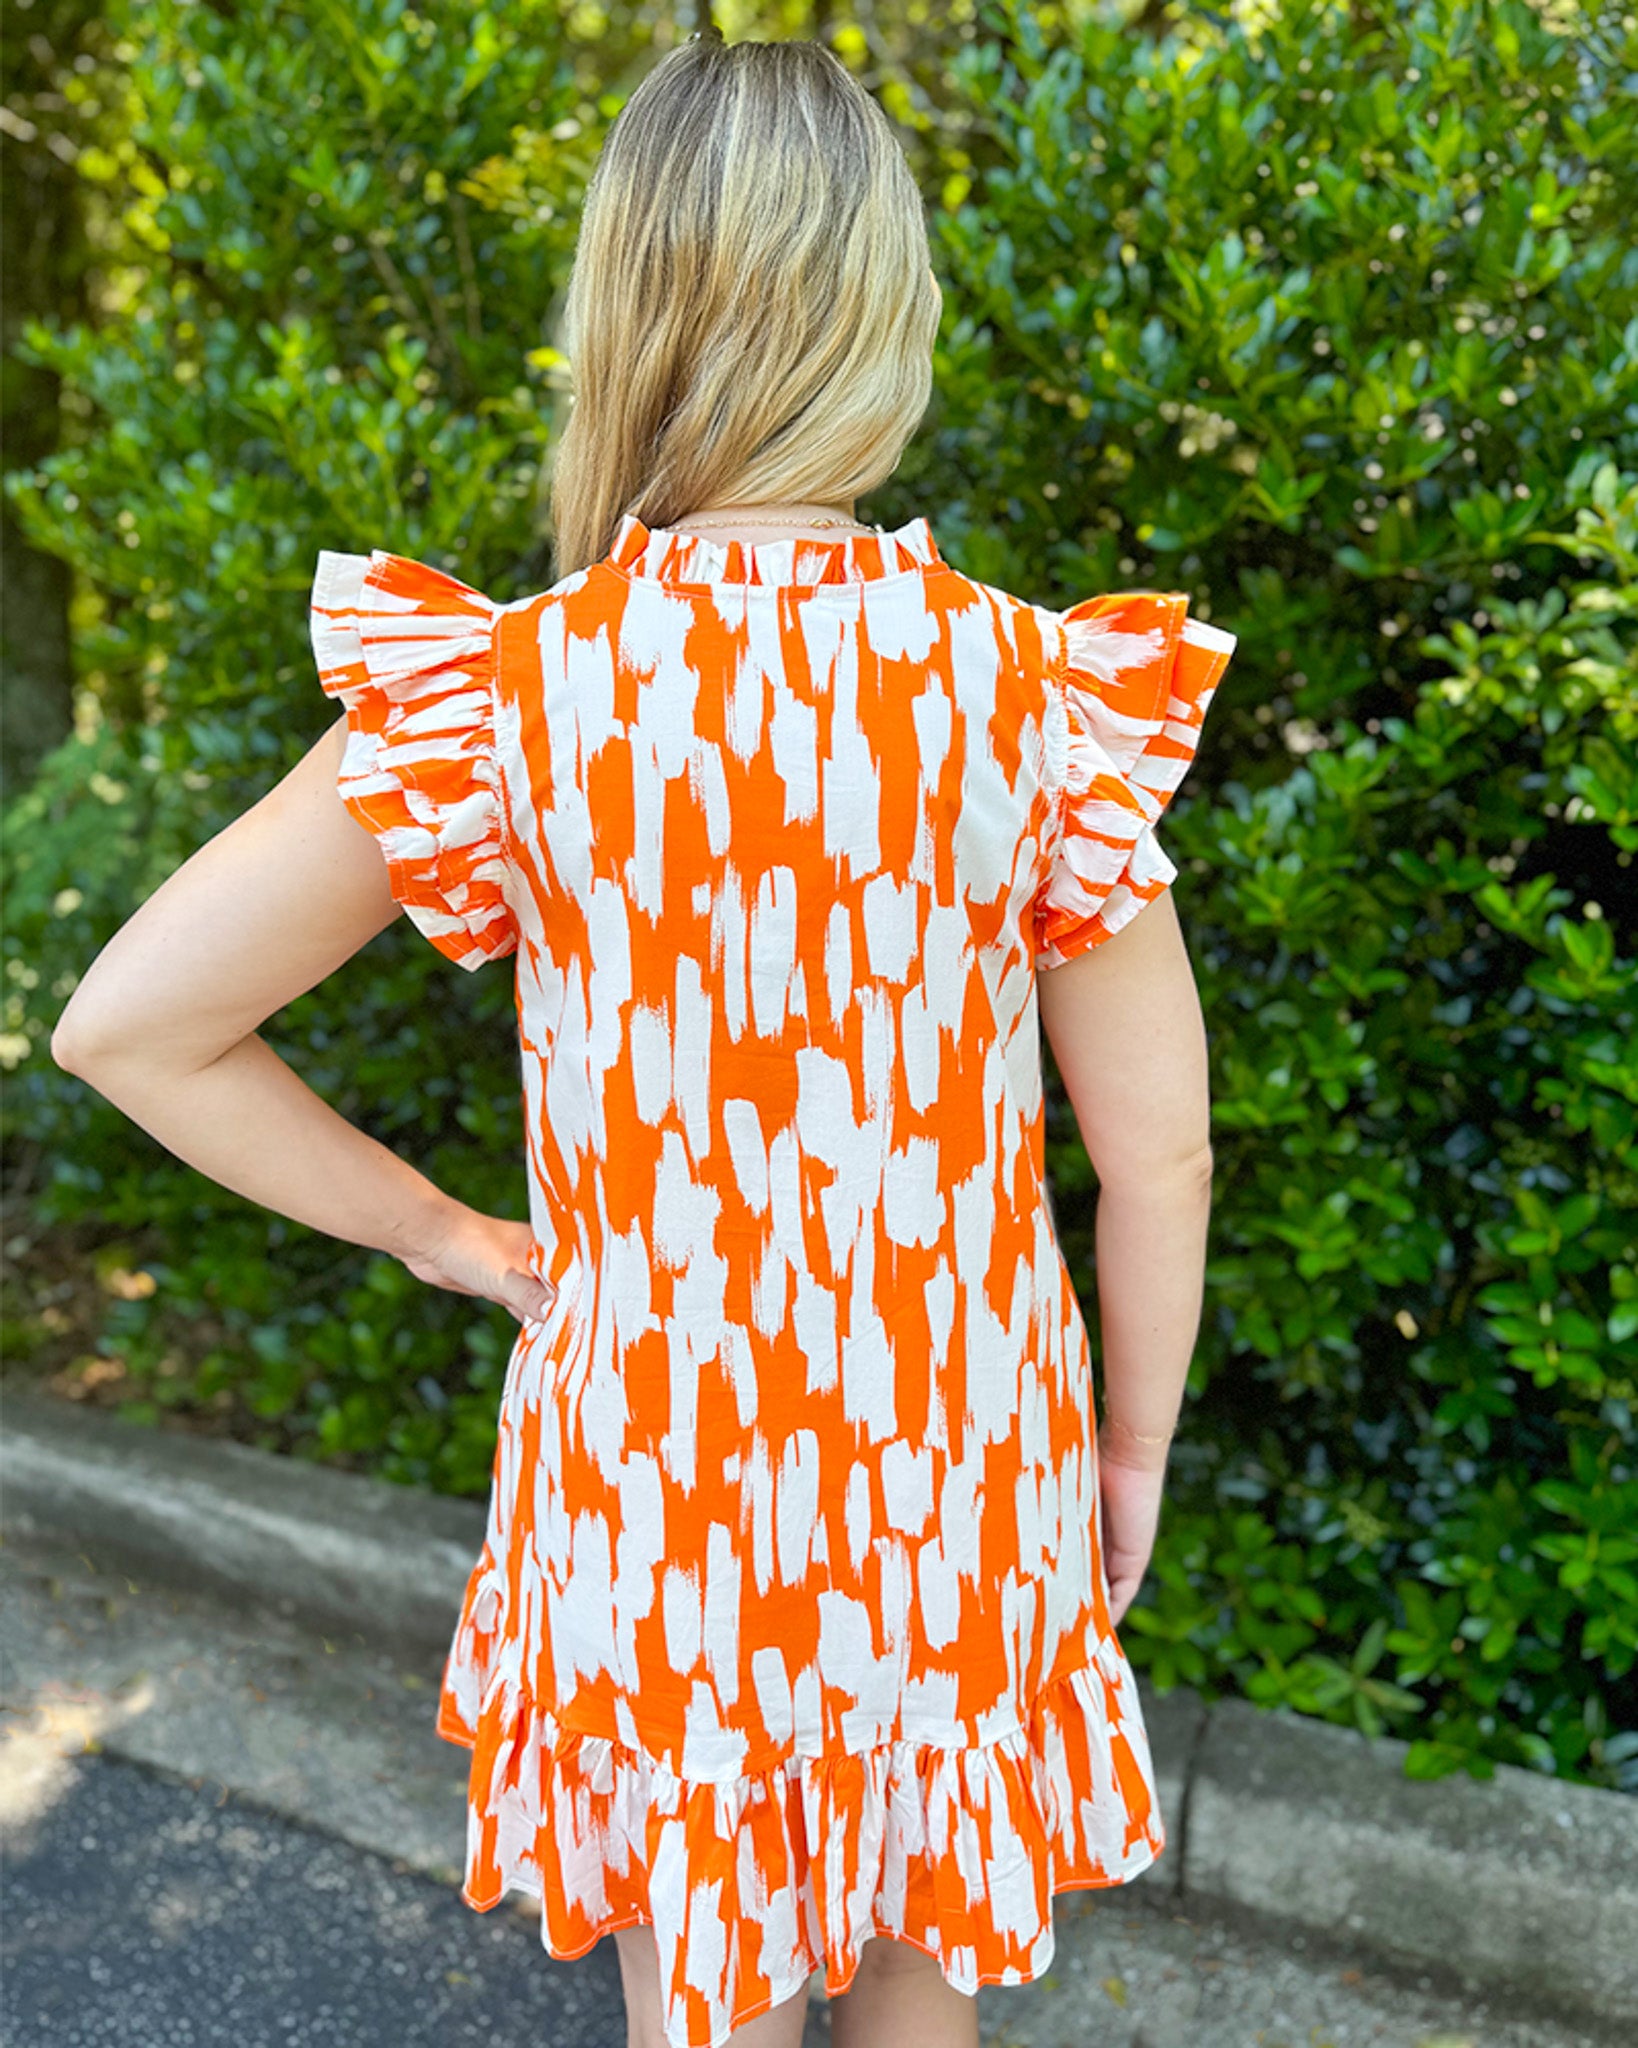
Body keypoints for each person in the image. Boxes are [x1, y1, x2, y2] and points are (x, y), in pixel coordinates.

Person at [50, 27, 1233, 2048]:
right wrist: (1127, 1452)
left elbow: (133, 1026)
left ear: (629, 308)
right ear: (885, 309)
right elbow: (1161, 1153)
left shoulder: (517, 697)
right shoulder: (1035, 696)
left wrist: (448, 1238)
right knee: (921, 1949)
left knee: (709, 1982)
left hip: (658, 1469)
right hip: (959, 1457)